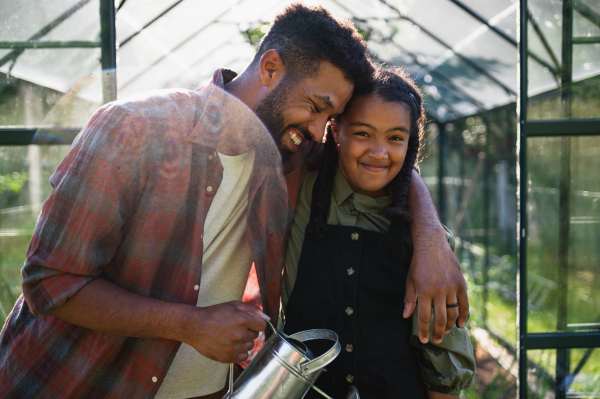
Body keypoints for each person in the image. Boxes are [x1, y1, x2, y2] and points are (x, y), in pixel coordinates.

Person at [0, 4, 468, 399]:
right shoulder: (132, 128)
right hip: (85, 383)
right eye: (316, 105)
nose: (320, 128)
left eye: (332, 116)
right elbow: (50, 281)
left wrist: (429, 240)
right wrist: (191, 325)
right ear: (270, 68)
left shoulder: (293, 149)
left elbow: (383, 159)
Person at [282, 66, 474, 398]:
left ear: (411, 144)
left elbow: (442, 359)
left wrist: (430, 239)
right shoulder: (296, 190)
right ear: (336, 130)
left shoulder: (425, 240)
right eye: (363, 133)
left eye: (395, 138)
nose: (379, 152)